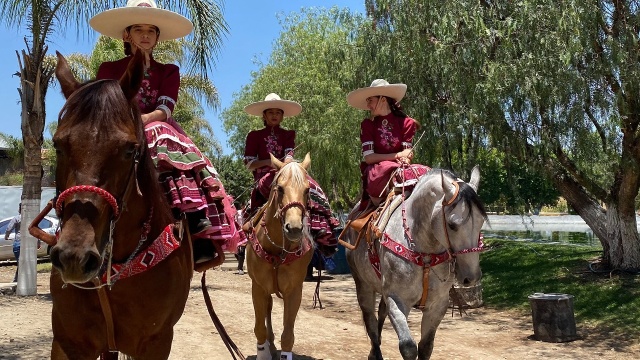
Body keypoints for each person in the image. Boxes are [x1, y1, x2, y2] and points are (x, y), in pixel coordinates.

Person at [89, 0, 245, 267]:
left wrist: (141, 121)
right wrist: (126, 124)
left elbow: (165, 108)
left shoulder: (169, 71)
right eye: (139, 29)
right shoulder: (108, 69)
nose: (146, 35)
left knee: (167, 139)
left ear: (158, 36)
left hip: (155, 125)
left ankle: (195, 222)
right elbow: (102, 107)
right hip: (116, 129)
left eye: (151, 30)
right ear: (127, 34)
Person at [243, 93, 339, 256]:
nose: (274, 115)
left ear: (282, 116)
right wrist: (269, 163)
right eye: (271, 112)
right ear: (264, 115)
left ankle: (321, 225)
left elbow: (289, 155)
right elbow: (249, 164)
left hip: (287, 171)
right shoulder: (254, 136)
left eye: (278, 112)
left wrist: (286, 165)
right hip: (265, 177)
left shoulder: (288, 134)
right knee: (271, 183)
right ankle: (251, 226)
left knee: (312, 185)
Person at [346, 79, 430, 212]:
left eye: (370, 100)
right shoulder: (368, 125)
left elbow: (407, 152)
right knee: (386, 168)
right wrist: (398, 155)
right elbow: (369, 158)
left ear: (383, 100)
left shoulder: (406, 123)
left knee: (426, 172)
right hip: (377, 170)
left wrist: (406, 158)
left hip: (399, 167)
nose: (368, 105)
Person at [4, 203, 21, 282]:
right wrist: (37, 242)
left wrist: (6, 236)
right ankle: (17, 279)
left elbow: (9, 228)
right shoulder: (30, 219)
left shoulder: (17, 218)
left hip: (19, 242)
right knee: (24, 263)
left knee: (20, 263)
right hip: (30, 244)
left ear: (19, 209)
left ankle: (18, 280)